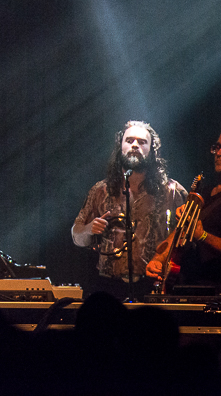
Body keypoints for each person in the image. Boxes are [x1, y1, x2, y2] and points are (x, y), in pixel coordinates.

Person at [146, 124, 221, 302]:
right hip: (182, 293)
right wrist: (158, 260)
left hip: (219, 298)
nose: (219, 153)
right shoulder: (203, 194)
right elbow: (176, 236)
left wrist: (202, 235)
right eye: (217, 147)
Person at [72, 120, 186, 300]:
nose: (135, 145)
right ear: (120, 147)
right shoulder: (100, 190)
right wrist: (88, 229)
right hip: (108, 287)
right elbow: (77, 236)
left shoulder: (172, 191)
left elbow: (187, 237)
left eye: (142, 142)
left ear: (152, 150)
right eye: (129, 140)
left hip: (152, 285)